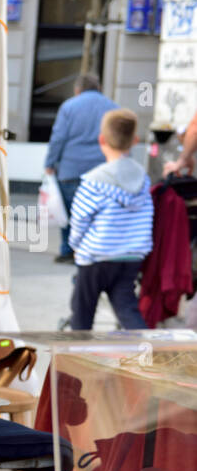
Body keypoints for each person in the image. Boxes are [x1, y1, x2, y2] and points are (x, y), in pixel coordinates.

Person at [67, 109, 153, 330]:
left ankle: (76, 361)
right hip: (131, 256)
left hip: (97, 256)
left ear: (101, 139)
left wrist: (75, 245)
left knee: (82, 313)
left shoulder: (93, 181)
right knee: (126, 308)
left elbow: (79, 219)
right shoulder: (143, 179)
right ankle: (149, 355)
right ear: (134, 140)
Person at [44, 73, 119, 263]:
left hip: (70, 170)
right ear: (99, 88)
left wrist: (50, 163)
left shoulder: (68, 106)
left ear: (77, 90)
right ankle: (92, 251)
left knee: (68, 214)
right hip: (103, 172)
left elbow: (58, 138)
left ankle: (68, 250)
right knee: (96, 214)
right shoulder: (112, 108)